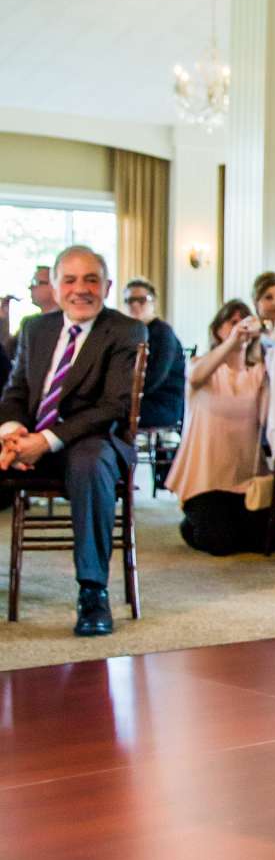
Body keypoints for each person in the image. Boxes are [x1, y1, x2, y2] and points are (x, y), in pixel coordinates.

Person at [0, 244, 145, 636]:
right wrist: (12, 434)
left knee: (90, 461)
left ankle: (93, 593)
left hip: (95, 441)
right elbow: (14, 391)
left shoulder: (126, 330)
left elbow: (114, 406)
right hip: (32, 438)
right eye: (71, 280)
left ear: (107, 286)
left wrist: (45, 441)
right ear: (57, 287)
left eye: (91, 280)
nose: (81, 289)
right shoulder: (36, 328)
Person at [167, 300, 275, 556]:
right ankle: (191, 523)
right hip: (208, 480)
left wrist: (270, 360)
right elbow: (195, 377)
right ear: (218, 330)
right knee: (220, 544)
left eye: (244, 321)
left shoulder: (258, 372)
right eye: (232, 322)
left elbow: (266, 418)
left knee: (267, 544)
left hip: (245, 477)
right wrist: (233, 341)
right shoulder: (201, 366)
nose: (240, 327)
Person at [121, 278, 185, 483]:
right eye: (130, 300)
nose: (135, 305)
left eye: (142, 299)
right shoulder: (130, 333)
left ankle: (119, 475)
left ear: (153, 301)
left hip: (162, 404)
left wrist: (122, 396)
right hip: (138, 400)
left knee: (111, 414)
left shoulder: (162, 333)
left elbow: (153, 378)